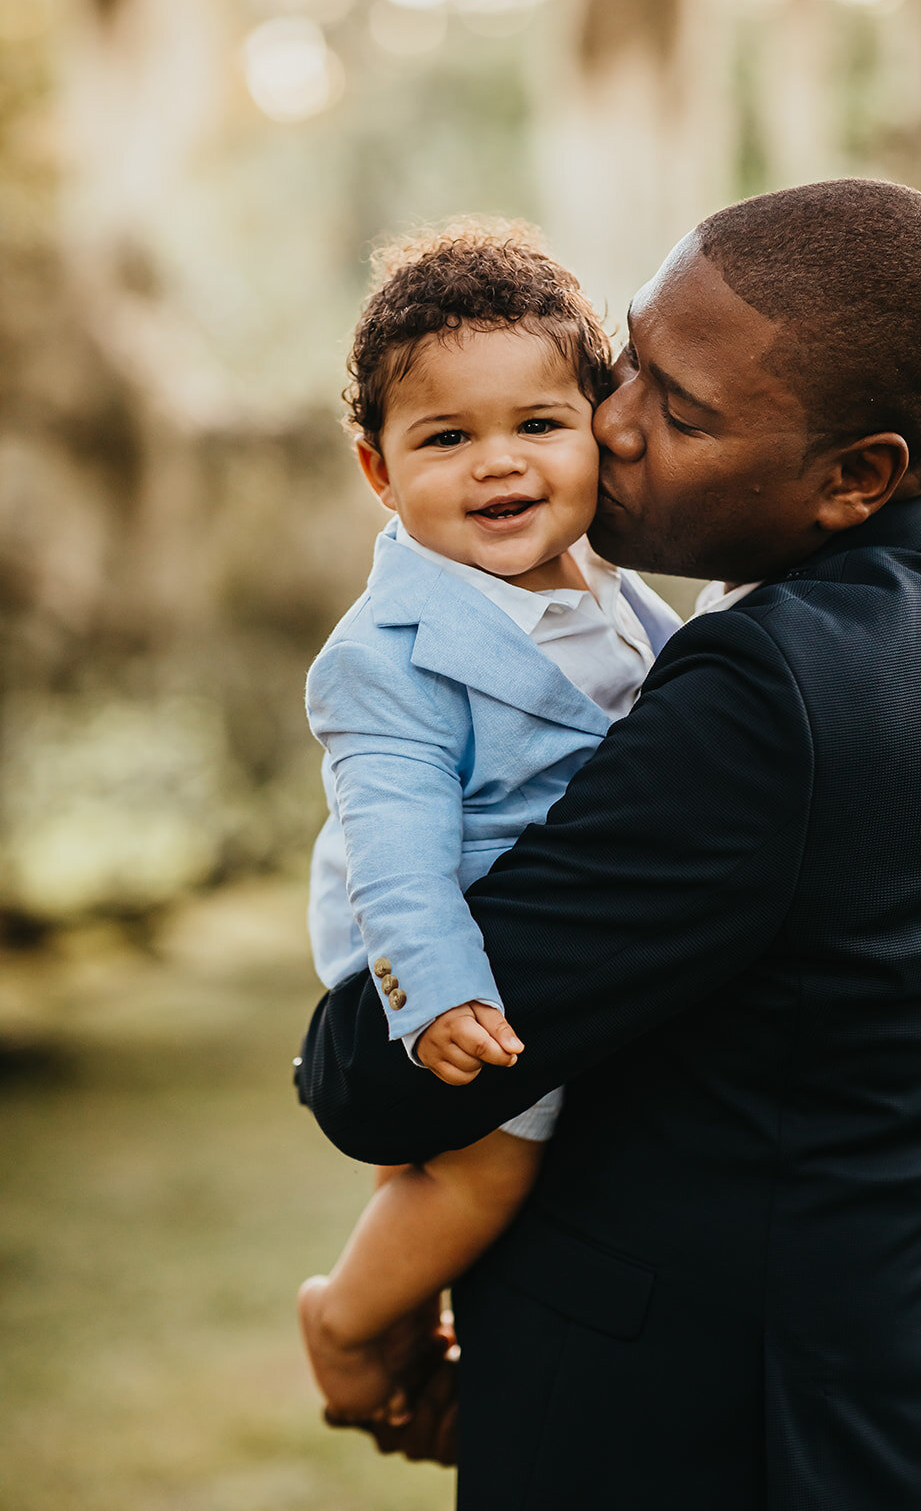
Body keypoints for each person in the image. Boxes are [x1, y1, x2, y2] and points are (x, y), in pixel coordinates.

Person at [297, 179, 921, 1511]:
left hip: (697, 1435)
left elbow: (388, 1079)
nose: (611, 423)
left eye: (680, 411)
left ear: (854, 478)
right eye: (626, 361)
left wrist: (340, 1087)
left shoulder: (765, 699)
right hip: (891, 1407)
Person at [296, 222, 680, 1425]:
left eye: (535, 425)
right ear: (378, 470)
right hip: (421, 938)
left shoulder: (610, 582)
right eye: (445, 438)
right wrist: (438, 993)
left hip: (521, 931)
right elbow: (398, 849)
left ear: (599, 429)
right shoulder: (387, 656)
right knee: (491, 1164)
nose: (496, 465)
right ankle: (352, 1325)